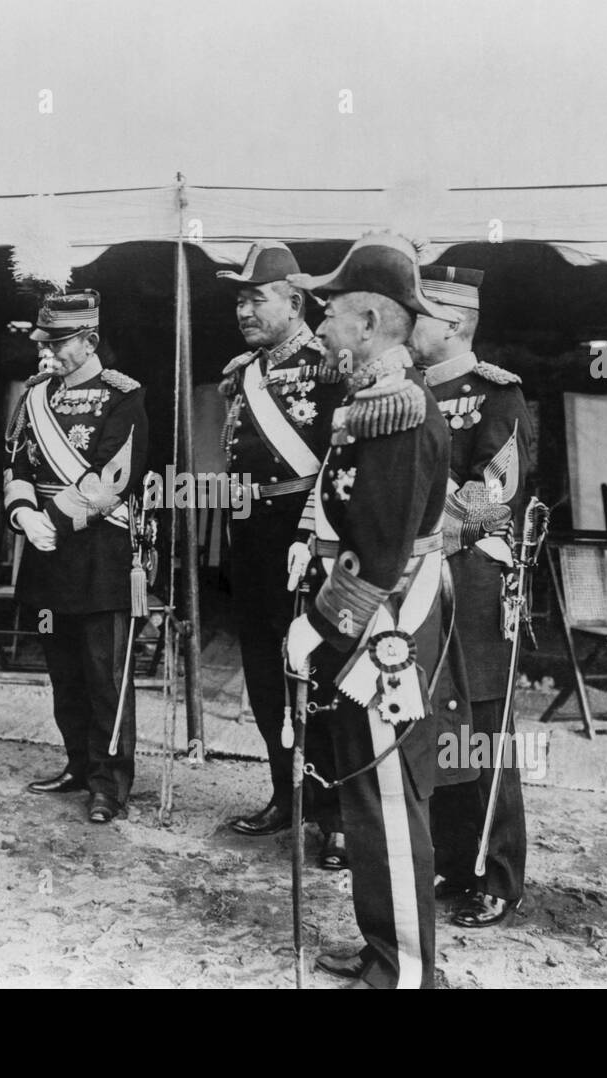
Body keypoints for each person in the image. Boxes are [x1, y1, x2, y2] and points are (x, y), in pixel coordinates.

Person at [283, 233, 473, 988]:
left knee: (387, 793)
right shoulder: (371, 400)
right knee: (364, 787)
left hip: (381, 627)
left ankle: (407, 970)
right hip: (363, 620)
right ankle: (382, 945)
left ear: (368, 322)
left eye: (329, 313)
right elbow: (345, 513)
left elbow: (385, 551)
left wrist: (319, 624)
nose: (320, 326)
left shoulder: (396, 410)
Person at [216, 242, 348, 865]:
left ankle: (338, 814)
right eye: (239, 300)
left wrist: (312, 530)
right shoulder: (244, 370)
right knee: (266, 668)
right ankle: (284, 793)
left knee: (318, 670)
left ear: (295, 303)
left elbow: (340, 461)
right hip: (250, 527)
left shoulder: (330, 363)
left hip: (307, 530)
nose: (244, 310)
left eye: (256, 298)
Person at [412, 265, 535, 928]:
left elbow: (494, 491)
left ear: (454, 322)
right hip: (420, 588)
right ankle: (456, 862)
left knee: (484, 730)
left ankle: (497, 875)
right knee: (437, 721)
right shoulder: (404, 392)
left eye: (420, 313)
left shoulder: (496, 395)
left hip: (473, 581)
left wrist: (419, 539)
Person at [3, 291, 148, 823]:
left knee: (104, 674)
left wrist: (52, 520)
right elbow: (14, 462)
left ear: (88, 340)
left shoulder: (122, 395)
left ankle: (110, 783)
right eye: (46, 342)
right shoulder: (35, 393)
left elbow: (116, 475)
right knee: (63, 672)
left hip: (99, 553)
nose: (50, 353)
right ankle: (78, 764)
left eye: (60, 343)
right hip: (45, 553)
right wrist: (23, 515)